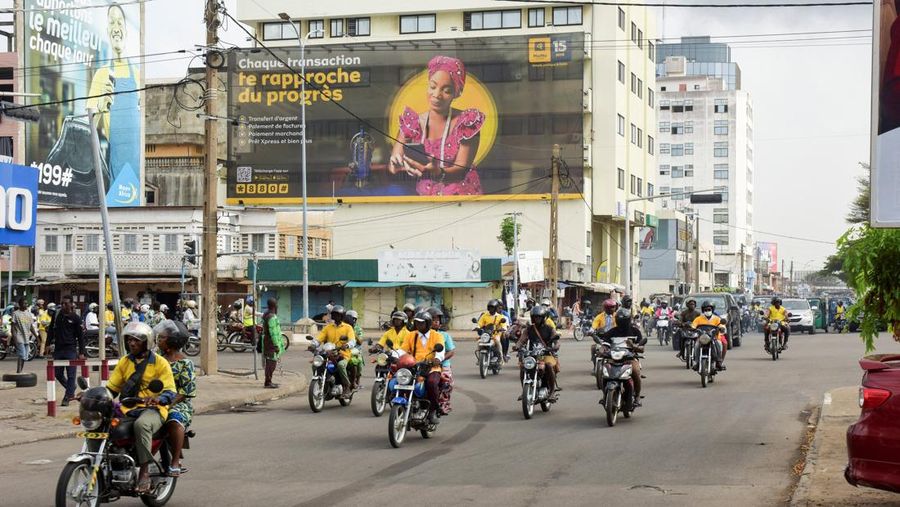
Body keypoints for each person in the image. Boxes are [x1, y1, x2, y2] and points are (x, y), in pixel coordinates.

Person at [390, 55, 486, 196]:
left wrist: (438, 173)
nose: (437, 95)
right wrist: (397, 164)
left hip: (463, 201)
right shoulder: (411, 123)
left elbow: (461, 171)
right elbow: (393, 165)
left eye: (446, 91)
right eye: (432, 87)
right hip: (426, 202)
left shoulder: (467, 123)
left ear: (457, 93)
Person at [104, 322, 176, 493]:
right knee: (102, 423)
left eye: (136, 340)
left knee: (141, 425)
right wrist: (94, 395)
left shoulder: (160, 362)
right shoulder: (124, 362)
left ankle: (144, 471)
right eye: (129, 340)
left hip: (153, 409)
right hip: (128, 408)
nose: (132, 343)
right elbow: (112, 388)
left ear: (147, 342)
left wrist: (159, 398)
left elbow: (170, 391)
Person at [86, 3, 140, 197]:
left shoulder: (139, 75)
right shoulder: (102, 74)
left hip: (138, 167)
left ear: (126, 29)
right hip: (116, 165)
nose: (116, 28)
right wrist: (100, 107)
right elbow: (88, 129)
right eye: (112, 23)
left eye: (119, 22)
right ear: (107, 30)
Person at [154, 319, 196, 477]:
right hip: (154, 400)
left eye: (162, 337)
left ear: (172, 341)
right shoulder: (155, 359)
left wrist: (167, 404)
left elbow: (186, 391)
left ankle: (175, 461)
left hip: (178, 403)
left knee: (173, 419)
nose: (159, 340)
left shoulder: (185, 363)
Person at [399, 311, 445, 424]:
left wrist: (437, 359)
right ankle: (403, 406)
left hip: (432, 367)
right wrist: (393, 356)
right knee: (400, 381)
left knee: (431, 383)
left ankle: (433, 410)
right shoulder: (411, 335)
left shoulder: (437, 335)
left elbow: (441, 351)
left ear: (428, 323)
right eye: (417, 323)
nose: (418, 325)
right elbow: (402, 350)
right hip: (414, 366)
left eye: (421, 323)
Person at [597, 309, 646, 406]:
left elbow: (641, 348)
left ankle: (637, 396)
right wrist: (601, 351)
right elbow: (605, 345)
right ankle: (605, 395)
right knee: (604, 374)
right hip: (613, 359)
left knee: (636, 372)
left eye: (624, 320)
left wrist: (633, 346)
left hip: (630, 359)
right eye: (620, 320)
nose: (622, 323)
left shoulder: (635, 332)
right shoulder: (611, 332)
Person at [514, 306, 560, 401]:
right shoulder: (529, 329)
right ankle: (524, 391)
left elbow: (556, 341)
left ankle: (552, 391)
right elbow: (522, 340)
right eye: (535, 317)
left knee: (549, 365)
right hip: (532, 354)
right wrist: (517, 346)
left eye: (539, 317)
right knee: (523, 367)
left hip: (546, 354)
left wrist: (555, 346)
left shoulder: (549, 329)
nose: (537, 319)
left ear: (543, 318)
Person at [49, 296, 86, 406]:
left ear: (71, 304)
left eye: (65, 303)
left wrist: (81, 352)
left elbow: (80, 336)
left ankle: (67, 397)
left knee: (71, 375)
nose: (63, 305)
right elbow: (50, 330)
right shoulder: (57, 315)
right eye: (62, 303)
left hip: (70, 349)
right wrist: (47, 344)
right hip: (58, 349)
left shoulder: (76, 318)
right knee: (58, 373)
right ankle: (71, 388)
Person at [316, 306, 356, 398]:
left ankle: (347, 386)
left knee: (341, 365)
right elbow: (320, 338)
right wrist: (314, 344)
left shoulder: (348, 327)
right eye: (334, 314)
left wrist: (347, 345)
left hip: (343, 354)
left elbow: (352, 340)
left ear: (342, 316)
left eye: (337, 315)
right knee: (316, 364)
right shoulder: (328, 327)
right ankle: (324, 382)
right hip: (329, 353)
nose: (335, 316)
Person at [428, 307, 455, 415]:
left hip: (443, 365)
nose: (436, 322)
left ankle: (444, 403)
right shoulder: (421, 335)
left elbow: (451, 351)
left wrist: (440, 359)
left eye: (437, 319)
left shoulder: (445, 335)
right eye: (433, 319)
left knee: (447, 383)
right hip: (426, 364)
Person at [691, 301, 727, 371]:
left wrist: (721, 328)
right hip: (702, 338)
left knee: (719, 344)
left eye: (709, 309)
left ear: (712, 310)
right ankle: (697, 363)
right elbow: (693, 325)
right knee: (696, 345)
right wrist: (692, 328)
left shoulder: (717, 319)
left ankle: (719, 362)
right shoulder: (698, 319)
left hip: (714, 338)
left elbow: (721, 325)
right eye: (706, 310)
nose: (707, 311)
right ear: (703, 310)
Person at [260, 298, 285, 389]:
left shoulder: (267, 315)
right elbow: (273, 333)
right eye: (276, 304)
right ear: (274, 306)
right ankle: (268, 382)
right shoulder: (272, 317)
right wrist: (276, 345)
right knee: (271, 363)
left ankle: (268, 381)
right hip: (271, 343)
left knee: (270, 363)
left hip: (267, 342)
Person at [10, 298, 37, 373]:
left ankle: (20, 372)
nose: (26, 305)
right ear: (20, 304)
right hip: (19, 337)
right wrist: (15, 339)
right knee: (21, 355)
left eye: (26, 303)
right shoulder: (15, 314)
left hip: (26, 337)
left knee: (25, 357)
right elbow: (12, 328)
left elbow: (31, 327)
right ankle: (19, 372)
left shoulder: (28, 314)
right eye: (24, 303)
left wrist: (36, 336)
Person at [344, 310, 364, 390]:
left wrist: (353, 333)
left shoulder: (358, 329)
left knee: (359, 362)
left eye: (353, 319)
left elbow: (360, 341)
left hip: (356, 349)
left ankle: (357, 380)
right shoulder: (343, 327)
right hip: (344, 349)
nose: (351, 320)